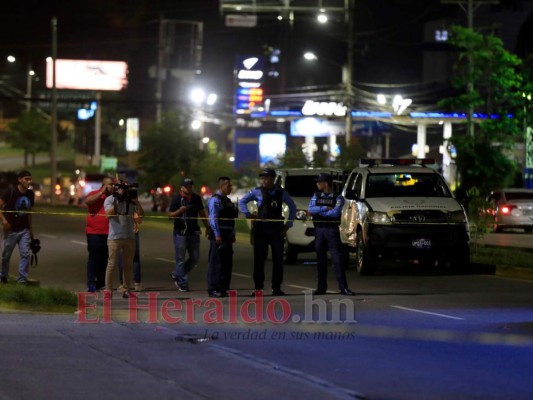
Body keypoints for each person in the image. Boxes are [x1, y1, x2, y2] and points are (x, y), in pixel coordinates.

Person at [238, 167, 296, 296]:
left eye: (266, 178)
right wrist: (248, 214)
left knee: (278, 260)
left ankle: (277, 288)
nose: (263, 180)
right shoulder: (257, 191)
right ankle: (258, 288)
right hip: (261, 230)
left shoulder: (281, 192)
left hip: (276, 231)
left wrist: (288, 224)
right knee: (259, 260)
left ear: (273, 179)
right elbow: (242, 201)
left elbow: (292, 207)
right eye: (262, 178)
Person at [308, 173, 354, 296]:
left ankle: (343, 288)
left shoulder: (338, 197)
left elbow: (335, 213)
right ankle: (321, 288)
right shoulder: (315, 196)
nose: (317, 183)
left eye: (319, 181)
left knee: (337, 261)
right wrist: (324, 208)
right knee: (320, 261)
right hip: (319, 230)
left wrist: (320, 211)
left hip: (331, 231)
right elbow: (310, 210)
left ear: (326, 183)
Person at [103, 179, 144, 298]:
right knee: (112, 264)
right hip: (114, 237)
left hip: (129, 237)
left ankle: (126, 289)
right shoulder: (110, 199)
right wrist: (118, 200)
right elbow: (108, 214)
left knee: (128, 265)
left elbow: (140, 218)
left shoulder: (131, 201)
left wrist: (136, 202)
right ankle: (108, 290)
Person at [168, 178, 209, 292]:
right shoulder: (177, 199)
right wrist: (179, 211)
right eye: (187, 186)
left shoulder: (196, 198)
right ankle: (182, 282)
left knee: (195, 257)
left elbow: (202, 213)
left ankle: (177, 273)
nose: (189, 188)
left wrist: (208, 227)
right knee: (180, 259)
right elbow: (170, 215)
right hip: (180, 233)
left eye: (191, 185)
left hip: (193, 232)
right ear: (182, 187)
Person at [0, 170, 36, 284]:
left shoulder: (30, 194)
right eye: (26, 179)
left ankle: (22, 280)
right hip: (11, 230)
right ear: (19, 180)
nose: (28, 181)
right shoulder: (10, 192)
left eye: (30, 179)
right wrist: (4, 221)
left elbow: (29, 211)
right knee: (6, 255)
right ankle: (3, 276)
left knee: (25, 254)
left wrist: (30, 230)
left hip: (24, 229)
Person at [207, 176, 238, 298]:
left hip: (228, 235)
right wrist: (217, 234)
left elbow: (232, 220)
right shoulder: (215, 200)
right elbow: (213, 217)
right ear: (221, 186)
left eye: (231, 185)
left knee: (227, 263)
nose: (230, 187)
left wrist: (233, 234)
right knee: (216, 263)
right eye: (228, 185)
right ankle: (213, 288)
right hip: (218, 236)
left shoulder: (229, 202)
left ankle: (223, 288)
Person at [84, 176, 113, 292]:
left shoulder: (113, 197)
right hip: (94, 232)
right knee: (94, 257)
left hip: (109, 232)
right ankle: (91, 282)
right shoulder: (95, 193)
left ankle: (101, 282)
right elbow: (88, 201)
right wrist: (102, 192)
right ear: (104, 185)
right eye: (110, 184)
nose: (112, 187)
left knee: (105, 259)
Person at [117, 211, 144, 292]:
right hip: (132, 232)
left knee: (122, 258)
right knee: (135, 258)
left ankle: (122, 284)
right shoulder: (132, 205)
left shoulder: (118, 204)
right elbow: (139, 220)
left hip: (120, 232)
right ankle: (137, 284)